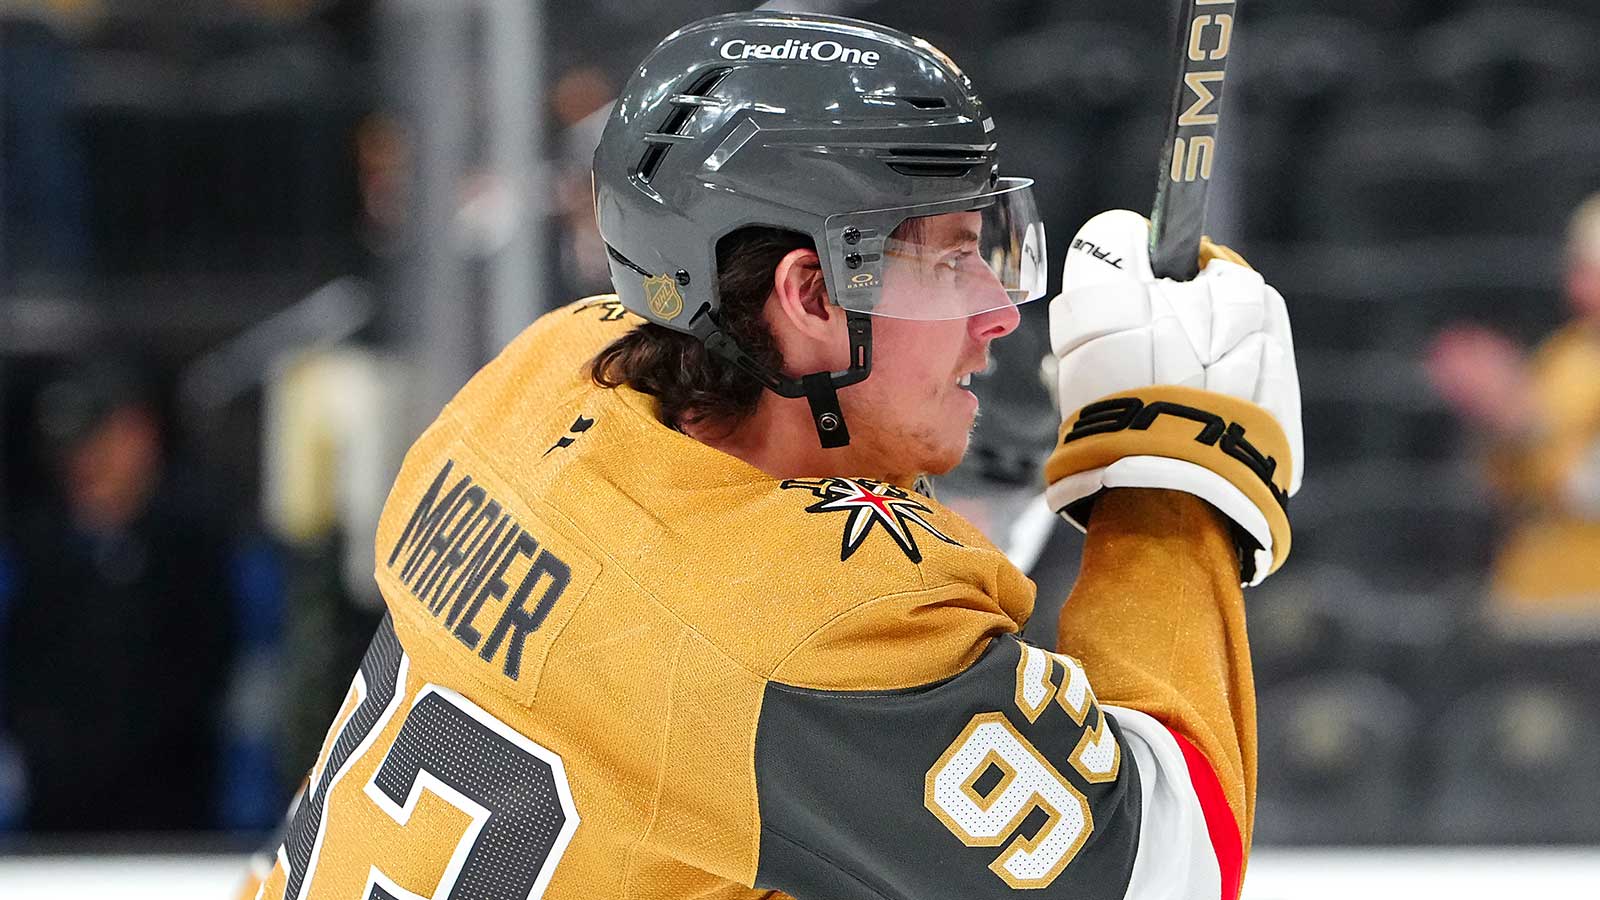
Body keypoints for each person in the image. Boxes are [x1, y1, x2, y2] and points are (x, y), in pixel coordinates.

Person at [241, 12, 1300, 899]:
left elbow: (699, 641)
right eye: (953, 262)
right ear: (805, 296)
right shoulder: (803, 644)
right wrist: (1165, 490)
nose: (999, 316)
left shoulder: (541, 374)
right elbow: (1166, 866)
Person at [1, 364, 235, 831]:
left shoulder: (191, 542)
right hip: (57, 823)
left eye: (101, 442)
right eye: (73, 447)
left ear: (140, 437)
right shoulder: (37, 548)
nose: (85, 462)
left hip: (173, 823)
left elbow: (205, 675)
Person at [1427, 192, 1600, 627]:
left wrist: (1526, 425)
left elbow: (1588, 489)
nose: (1580, 288)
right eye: (1578, 270)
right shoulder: (1564, 357)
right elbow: (1503, 487)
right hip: (1529, 598)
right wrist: (1493, 419)